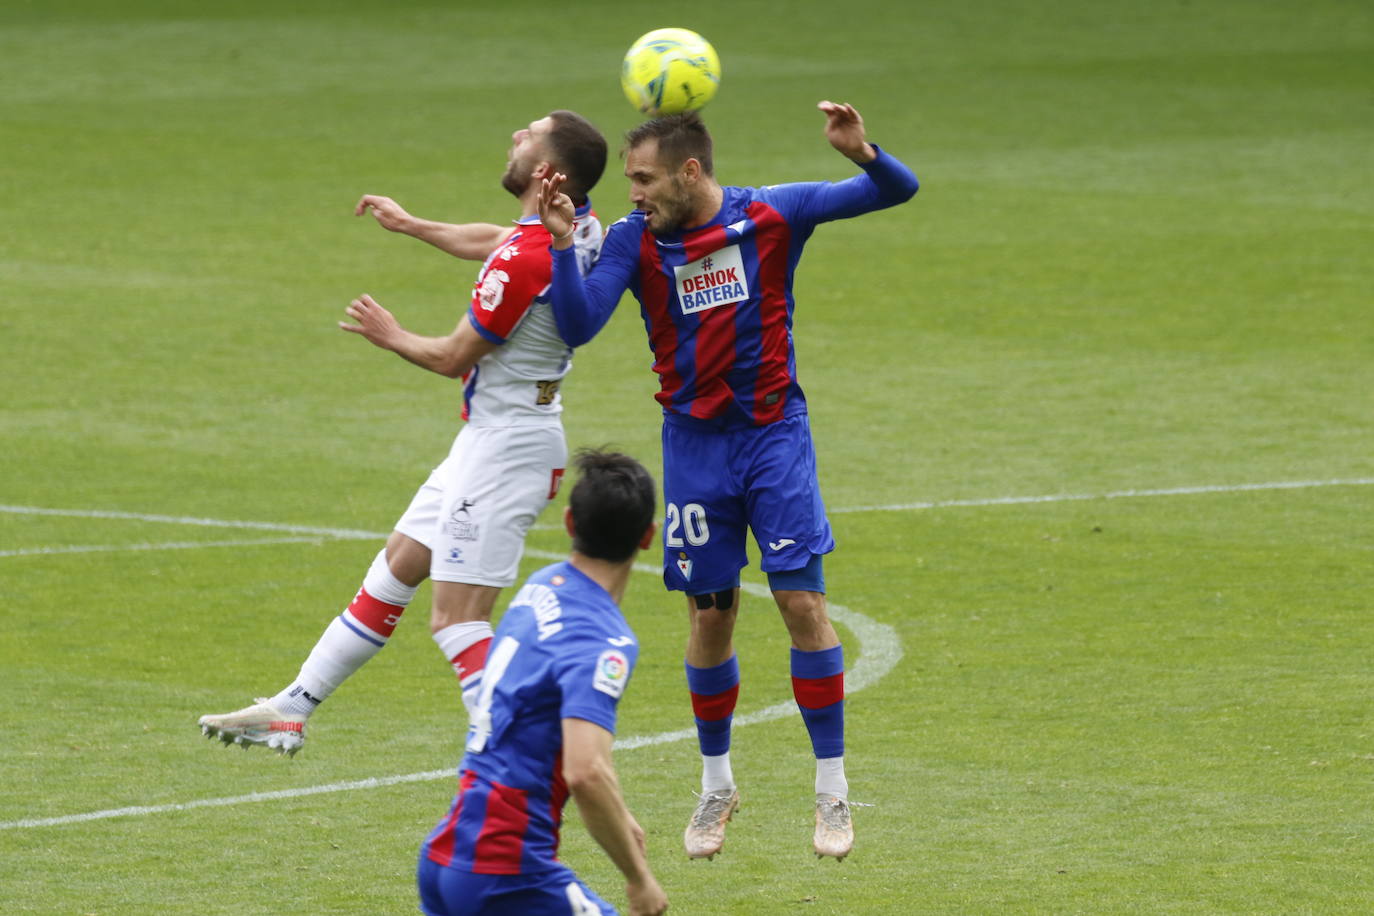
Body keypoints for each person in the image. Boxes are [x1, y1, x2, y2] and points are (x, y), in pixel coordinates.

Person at [535, 101, 919, 860]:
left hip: (774, 438)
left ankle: (832, 792)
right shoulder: (631, 240)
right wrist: (557, 247)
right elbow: (581, 324)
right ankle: (717, 785)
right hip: (694, 449)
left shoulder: (774, 214)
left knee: (800, 601)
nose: (633, 193)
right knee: (710, 616)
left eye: (644, 179)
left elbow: (896, 190)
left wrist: (861, 150)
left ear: (691, 171)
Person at [197, 110, 609, 754]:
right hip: (496, 439)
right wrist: (414, 225)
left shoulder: (528, 260)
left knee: (457, 619)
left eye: (527, 136)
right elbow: (496, 238)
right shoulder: (573, 227)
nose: (513, 137)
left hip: (505, 450)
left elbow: (452, 358)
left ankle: (511, 748)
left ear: (548, 170)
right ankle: (294, 706)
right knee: (398, 565)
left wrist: (392, 337)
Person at [417, 449, 668, 916]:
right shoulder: (604, 641)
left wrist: (620, 813)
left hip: (445, 854)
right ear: (649, 536)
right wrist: (640, 880)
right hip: (505, 868)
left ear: (571, 522)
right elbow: (586, 771)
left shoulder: (539, 587)